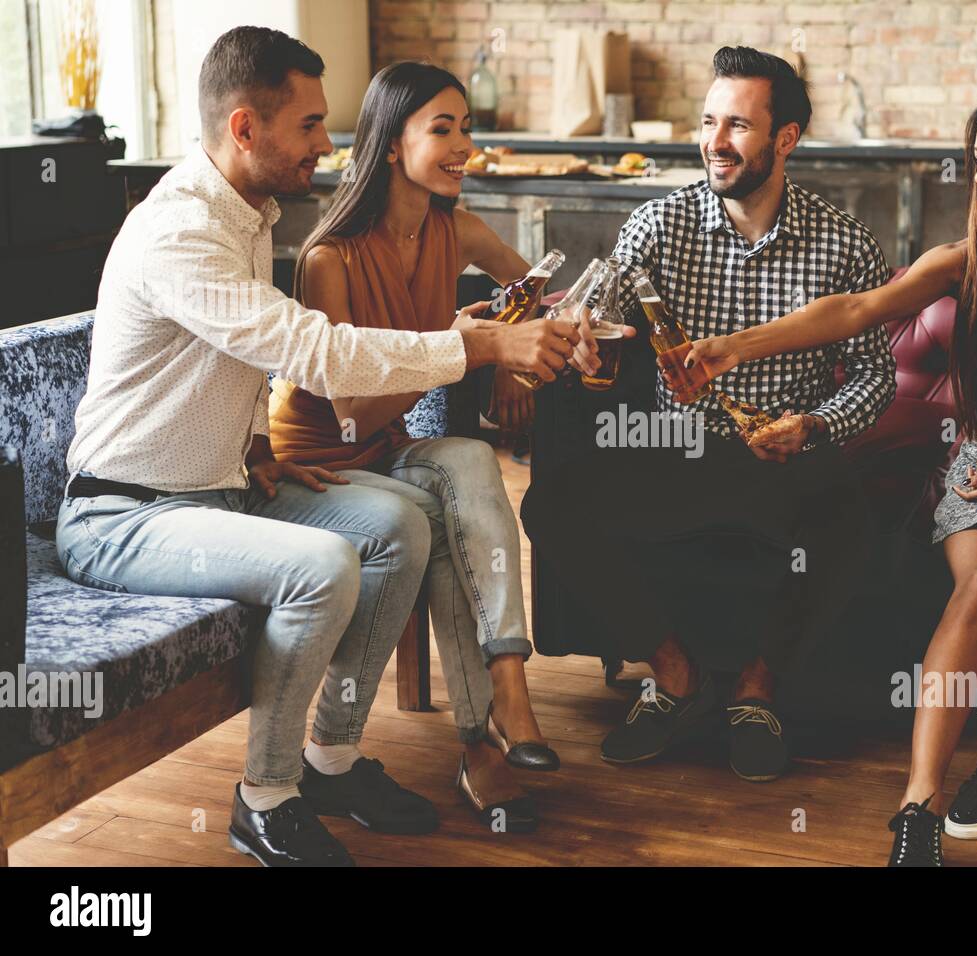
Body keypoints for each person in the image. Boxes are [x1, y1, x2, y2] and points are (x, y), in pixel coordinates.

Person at [56, 26, 581, 866]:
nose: (327, 143)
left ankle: (331, 759)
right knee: (324, 565)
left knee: (401, 524)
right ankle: (263, 796)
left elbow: (234, 355)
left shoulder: (250, 212)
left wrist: (257, 445)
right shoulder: (180, 232)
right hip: (126, 514)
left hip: (221, 488)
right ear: (244, 128)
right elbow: (315, 350)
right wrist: (473, 347)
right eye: (307, 125)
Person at [671, 89, 977, 865]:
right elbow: (853, 311)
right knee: (974, 587)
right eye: (975, 159)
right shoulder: (970, 261)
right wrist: (734, 346)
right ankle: (917, 808)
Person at [522, 46, 896, 784]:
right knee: (552, 505)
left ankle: (758, 689)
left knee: (849, 521)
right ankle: (677, 678)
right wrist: (591, 364)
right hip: (675, 446)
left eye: (738, 126)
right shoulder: (658, 225)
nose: (714, 142)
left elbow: (878, 375)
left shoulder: (845, 241)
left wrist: (815, 425)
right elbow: (599, 337)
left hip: (784, 457)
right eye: (707, 122)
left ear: (785, 140)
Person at [269, 61, 585, 831]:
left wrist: (544, 343)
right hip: (319, 467)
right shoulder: (328, 260)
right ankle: (481, 740)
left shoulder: (459, 228)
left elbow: (552, 302)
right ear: (388, 145)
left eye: (467, 128)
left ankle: (509, 679)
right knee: (445, 522)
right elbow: (351, 406)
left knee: (473, 460)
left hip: (388, 449)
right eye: (441, 129)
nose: (462, 145)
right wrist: (470, 347)